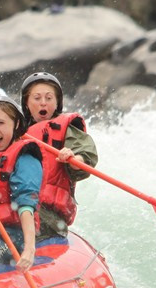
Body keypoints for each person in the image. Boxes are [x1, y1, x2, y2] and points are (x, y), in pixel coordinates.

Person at [20, 72, 98, 241]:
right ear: (26, 103)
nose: (43, 103)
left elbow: (86, 155)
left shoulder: (66, 129)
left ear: (57, 103)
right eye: (37, 98)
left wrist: (73, 159)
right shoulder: (13, 131)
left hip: (48, 215)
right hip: (17, 207)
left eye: (49, 98)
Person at [0, 95, 42, 270]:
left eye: (0, 123)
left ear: (16, 124)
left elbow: (26, 204)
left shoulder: (25, 158)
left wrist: (29, 249)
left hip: (13, 234)